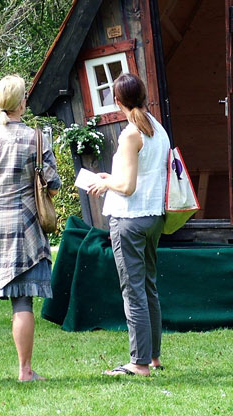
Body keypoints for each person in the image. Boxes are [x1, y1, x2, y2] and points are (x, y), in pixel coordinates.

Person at [0, 74, 61, 383]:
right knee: (23, 302)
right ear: (22, 103)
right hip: (25, 230)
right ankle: (25, 372)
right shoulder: (37, 139)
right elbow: (54, 184)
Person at [87, 73, 170, 377]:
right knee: (148, 288)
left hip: (129, 220)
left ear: (117, 101)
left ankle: (138, 363)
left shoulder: (130, 133)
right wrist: (112, 180)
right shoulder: (157, 129)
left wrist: (105, 185)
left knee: (133, 293)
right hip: (153, 217)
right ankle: (154, 358)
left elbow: (129, 186)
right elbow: (138, 177)